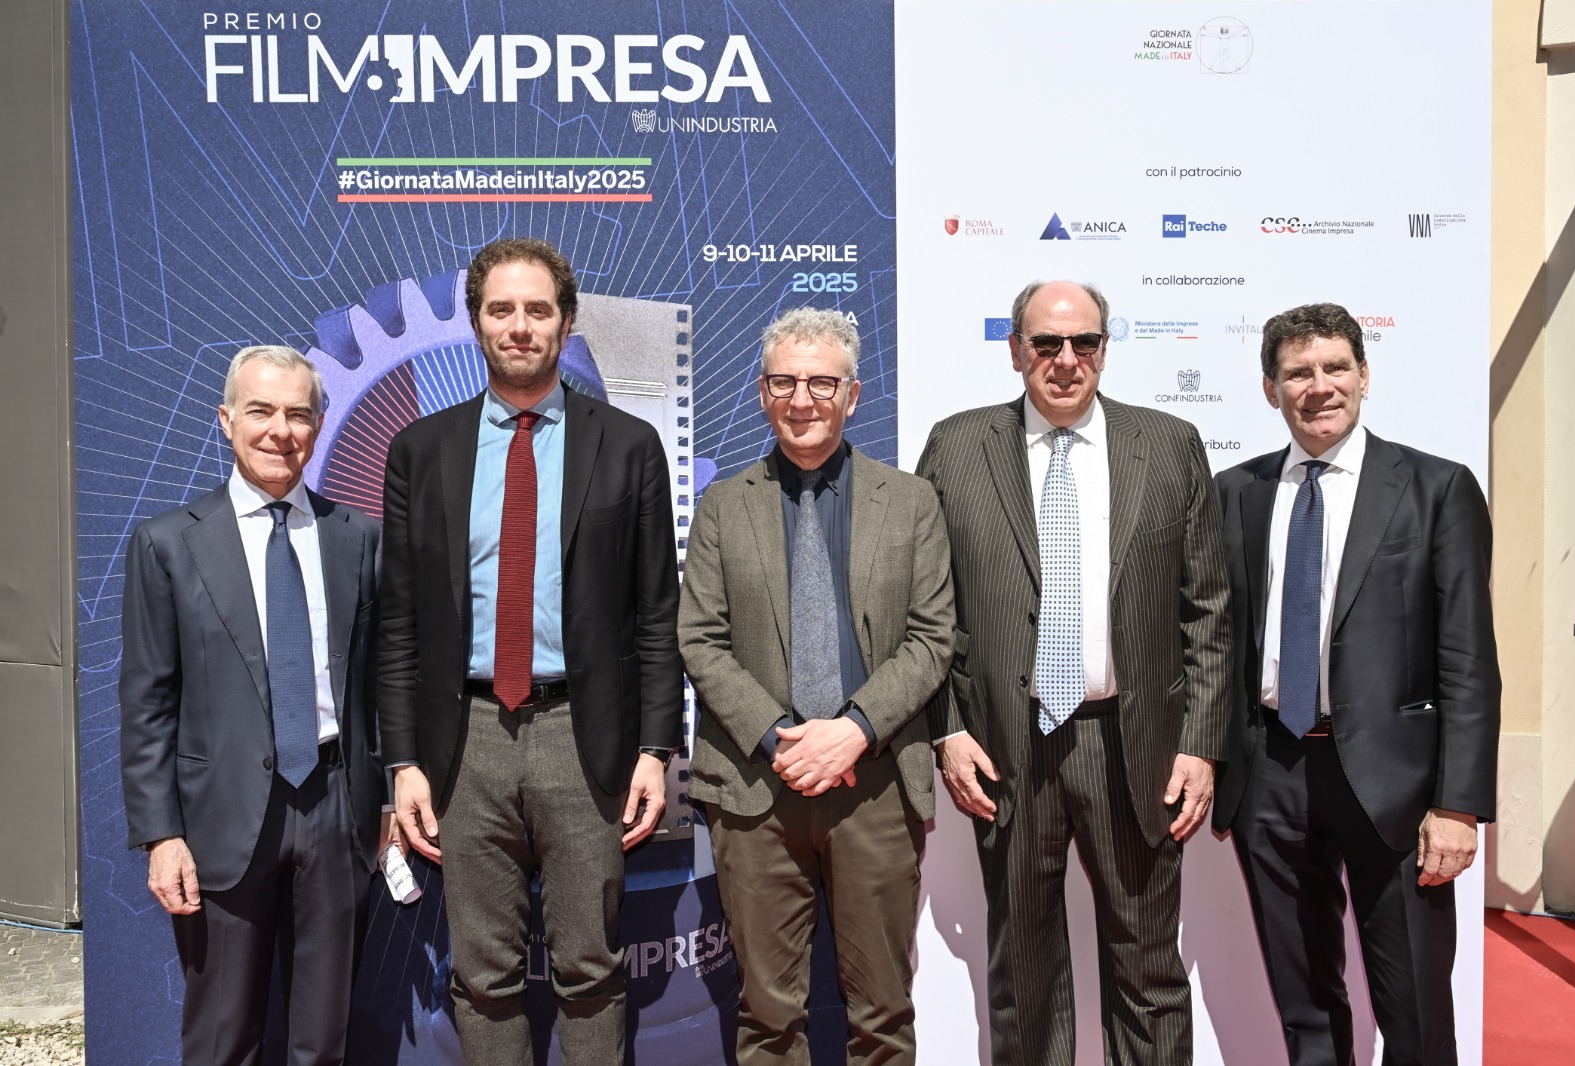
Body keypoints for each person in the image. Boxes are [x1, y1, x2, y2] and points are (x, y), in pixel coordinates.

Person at [377, 237, 682, 1065]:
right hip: (464, 740)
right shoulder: (420, 451)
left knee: (591, 970)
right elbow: (398, 623)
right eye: (501, 309)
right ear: (477, 323)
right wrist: (402, 762)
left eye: (538, 310)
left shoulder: (627, 446)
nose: (520, 326)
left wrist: (655, 750)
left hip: (585, 739)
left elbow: (658, 614)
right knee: (482, 976)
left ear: (566, 322)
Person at [915, 280, 1231, 1065]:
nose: (1065, 360)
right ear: (1015, 349)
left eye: (1083, 342)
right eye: (1046, 343)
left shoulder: (1170, 444)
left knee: (1148, 964)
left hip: (1135, 743)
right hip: (1006, 745)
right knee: (1023, 970)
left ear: (1104, 349)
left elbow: (1208, 609)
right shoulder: (957, 447)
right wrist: (946, 731)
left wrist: (1200, 744)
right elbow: (924, 607)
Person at [1211, 302, 1499, 1066]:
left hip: (1397, 785)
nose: (1319, 386)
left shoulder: (1436, 488)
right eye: (1298, 373)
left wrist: (1458, 804)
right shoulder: (1234, 491)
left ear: (1364, 376)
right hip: (1271, 772)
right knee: (1303, 1004)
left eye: (1335, 367)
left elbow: (1469, 658)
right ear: (1271, 389)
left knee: (1415, 1011)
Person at [680, 307, 954, 1064]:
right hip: (754, 790)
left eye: (821, 383)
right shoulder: (723, 505)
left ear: (853, 395)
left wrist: (854, 730)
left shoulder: (911, 502)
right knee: (768, 1018)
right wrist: (783, 740)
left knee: (883, 1016)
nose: (802, 400)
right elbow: (699, 639)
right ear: (763, 393)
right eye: (784, 382)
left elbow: (932, 638)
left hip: (876, 786)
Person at [120, 345, 385, 1065]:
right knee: (221, 1039)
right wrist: (161, 835)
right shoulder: (168, 544)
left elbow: (381, 681)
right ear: (226, 419)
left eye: (298, 414)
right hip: (221, 817)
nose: (280, 430)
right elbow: (147, 703)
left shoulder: (357, 538)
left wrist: (387, 798)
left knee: (323, 1041)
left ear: (319, 424)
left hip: (337, 806)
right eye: (261, 410)